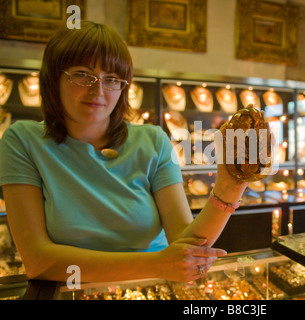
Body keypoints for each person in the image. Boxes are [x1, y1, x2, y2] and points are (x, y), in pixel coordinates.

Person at [0, 21, 248, 283]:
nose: (98, 90)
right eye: (82, 75)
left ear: (124, 87)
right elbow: (39, 261)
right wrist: (156, 264)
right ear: (53, 79)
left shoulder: (152, 140)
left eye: (112, 80)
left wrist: (230, 186)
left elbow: (187, 243)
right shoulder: (23, 141)